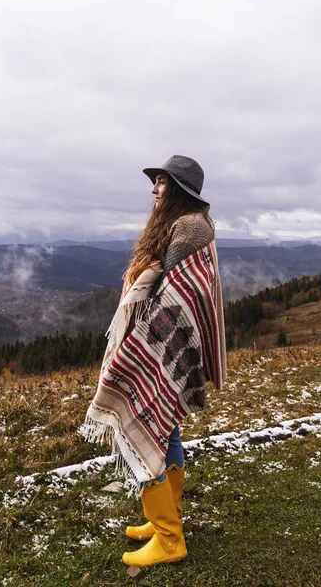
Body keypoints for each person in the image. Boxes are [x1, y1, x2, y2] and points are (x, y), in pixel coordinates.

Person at [81, 155, 227, 567]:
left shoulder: (190, 230)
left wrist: (143, 349)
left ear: (179, 189)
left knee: (138, 424)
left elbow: (182, 298)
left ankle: (168, 539)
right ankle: (167, 522)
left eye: (161, 182)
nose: (154, 189)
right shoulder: (180, 225)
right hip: (163, 343)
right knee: (166, 429)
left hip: (162, 346)